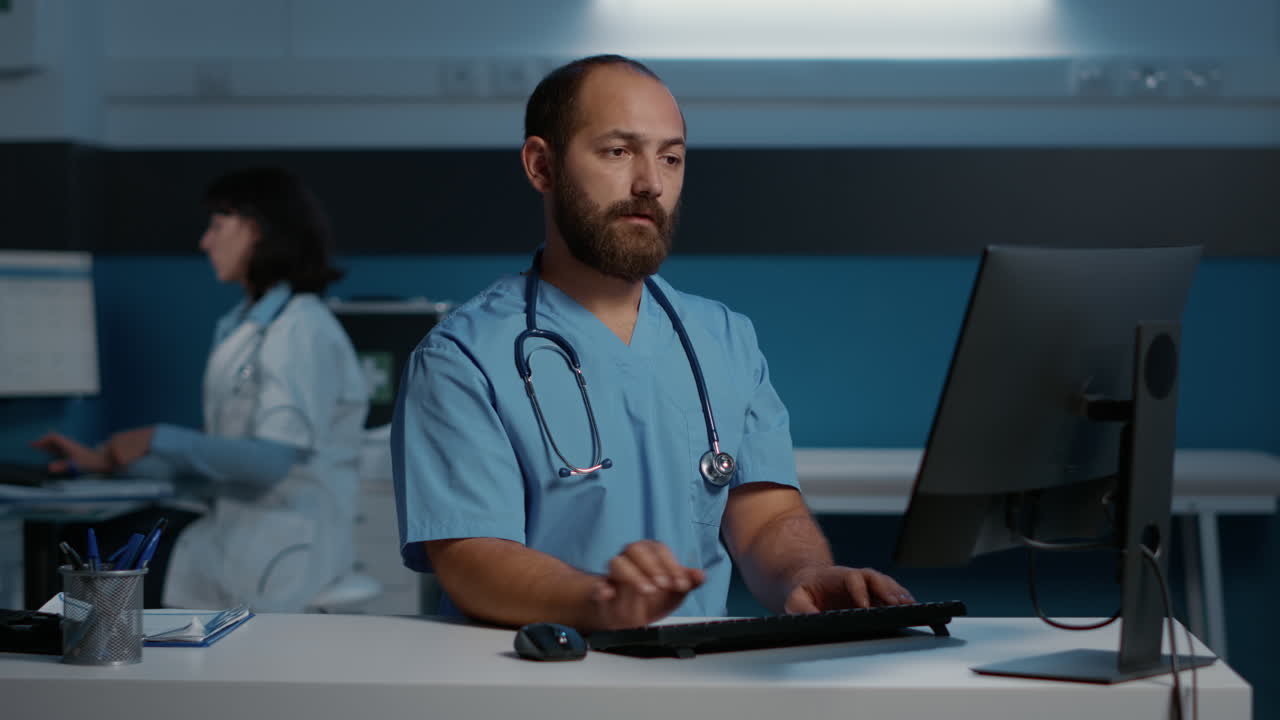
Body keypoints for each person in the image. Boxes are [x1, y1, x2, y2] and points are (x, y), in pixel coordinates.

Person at [392, 55, 914, 631]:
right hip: (541, 680)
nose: (652, 184)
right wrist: (601, 601)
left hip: (694, 678)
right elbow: (469, 558)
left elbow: (765, 516)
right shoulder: (463, 356)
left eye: (671, 157)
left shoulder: (722, 338)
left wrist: (805, 574)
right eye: (619, 152)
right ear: (542, 166)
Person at [34, 167, 369, 611]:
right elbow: (217, 460)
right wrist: (106, 462)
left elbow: (269, 461)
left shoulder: (299, 330)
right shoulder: (246, 327)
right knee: (89, 553)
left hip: (281, 551)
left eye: (216, 225)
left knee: (90, 576)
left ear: (256, 229)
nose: (204, 242)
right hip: (236, 535)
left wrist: (157, 438)